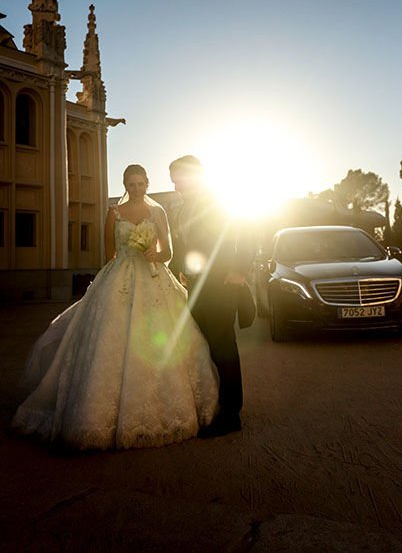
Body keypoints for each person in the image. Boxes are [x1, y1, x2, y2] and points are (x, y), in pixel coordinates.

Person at [12, 164, 218, 450]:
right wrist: (124, 262)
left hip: (153, 276)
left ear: (147, 184)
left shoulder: (158, 212)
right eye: (130, 184)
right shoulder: (114, 213)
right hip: (119, 276)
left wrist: (154, 253)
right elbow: (108, 253)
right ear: (125, 186)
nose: (136, 189)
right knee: (107, 338)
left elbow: (168, 251)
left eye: (140, 184)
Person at [169, 155, 253, 437]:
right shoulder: (180, 209)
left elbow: (249, 231)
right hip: (196, 287)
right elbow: (183, 244)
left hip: (221, 285)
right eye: (172, 178)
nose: (175, 183)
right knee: (206, 347)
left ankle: (231, 415)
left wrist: (241, 270)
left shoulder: (220, 200)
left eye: (178, 177)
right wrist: (180, 268)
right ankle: (213, 403)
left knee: (224, 348)